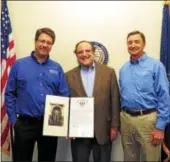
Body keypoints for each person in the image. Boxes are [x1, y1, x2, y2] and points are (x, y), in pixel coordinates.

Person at [5, 27, 69, 162]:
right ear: (35, 41)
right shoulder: (19, 65)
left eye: (49, 42)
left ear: (52, 46)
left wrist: (64, 123)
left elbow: (64, 95)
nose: (45, 45)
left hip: (50, 124)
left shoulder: (57, 68)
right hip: (24, 123)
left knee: (47, 159)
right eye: (42, 41)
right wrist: (13, 120)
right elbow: (10, 93)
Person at [119, 30, 170, 161]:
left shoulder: (156, 66)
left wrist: (160, 126)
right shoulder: (123, 69)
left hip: (148, 120)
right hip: (126, 119)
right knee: (129, 158)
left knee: (150, 158)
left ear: (144, 44)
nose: (133, 45)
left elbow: (164, 96)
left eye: (137, 42)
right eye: (129, 42)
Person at [65, 40, 120, 162]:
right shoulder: (68, 76)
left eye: (87, 51)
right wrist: (67, 127)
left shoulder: (109, 72)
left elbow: (115, 100)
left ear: (94, 52)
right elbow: (66, 103)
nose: (84, 54)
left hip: (103, 129)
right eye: (80, 52)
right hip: (78, 131)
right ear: (76, 55)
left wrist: (114, 126)